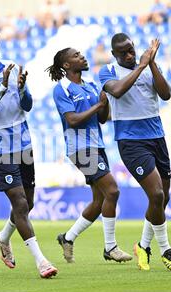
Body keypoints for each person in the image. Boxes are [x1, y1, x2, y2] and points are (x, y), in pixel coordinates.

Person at [0, 31, 57, 278]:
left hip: (23, 142)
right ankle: (41, 261)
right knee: (19, 203)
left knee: (29, 203)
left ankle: (3, 237)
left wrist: (23, 89)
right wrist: (2, 88)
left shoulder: (15, 68)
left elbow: (27, 106)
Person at [99, 33, 171, 271]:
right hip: (131, 141)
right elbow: (116, 91)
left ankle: (143, 246)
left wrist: (152, 63)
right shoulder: (108, 72)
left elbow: (166, 94)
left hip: (157, 136)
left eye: (131, 50)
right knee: (156, 195)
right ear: (114, 55)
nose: (129, 55)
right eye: (123, 53)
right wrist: (143, 65)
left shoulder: (147, 66)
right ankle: (166, 251)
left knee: (162, 199)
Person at [46, 47, 132, 264]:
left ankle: (67, 237)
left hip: (97, 145)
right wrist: (97, 106)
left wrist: (104, 104)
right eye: (76, 56)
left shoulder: (91, 85)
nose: (82, 57)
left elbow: (103, 118)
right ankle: (110, 247)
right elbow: (72, 120)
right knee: (112, 190)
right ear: (66, 65)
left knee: (99, 199)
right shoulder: (62, 89)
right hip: (80, 149)